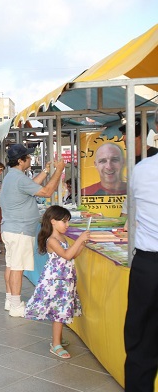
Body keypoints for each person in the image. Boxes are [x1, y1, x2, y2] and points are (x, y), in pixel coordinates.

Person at [0, 144, 65, 317]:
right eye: (27, 157)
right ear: (21, 161)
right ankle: (15, 306)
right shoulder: (18, 178)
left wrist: (46, 170)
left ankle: (10, 300)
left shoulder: (12, 176)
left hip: (11, 229)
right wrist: (59, 171)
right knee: (17, 268)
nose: (30, 159)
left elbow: (32, 186)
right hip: (19, 230)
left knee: (11, 265)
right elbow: (46, 191)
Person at [24, 206, 89, 359]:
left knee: (61, 310)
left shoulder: (61, 238)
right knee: (59, 312)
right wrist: (79, 239)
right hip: (56, 280)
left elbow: (72, 255)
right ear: (53, 221)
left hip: (65, 279)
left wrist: (81, 245)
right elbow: (66, 255)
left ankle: (57, 338)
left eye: (68, 222)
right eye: (64, 221)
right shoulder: (52, 240)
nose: (67, 225)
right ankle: (55, 344)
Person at [124, 152, 158, 391]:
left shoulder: (143, 169)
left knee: (142, 345)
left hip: (149, 266)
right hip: (148, 261)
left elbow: (132, 215)